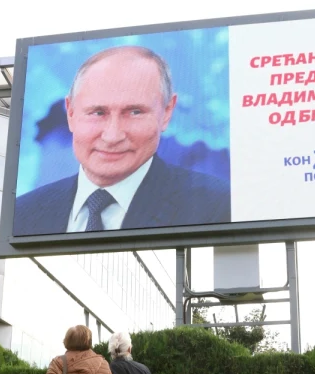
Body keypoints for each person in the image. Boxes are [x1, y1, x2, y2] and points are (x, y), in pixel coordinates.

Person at [13, 45, 231, 235]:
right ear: (70, 113)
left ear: (167, 112)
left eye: (134, 112)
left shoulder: (218, 207)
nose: (112, 136)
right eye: (97, 112)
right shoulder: (23, 215)